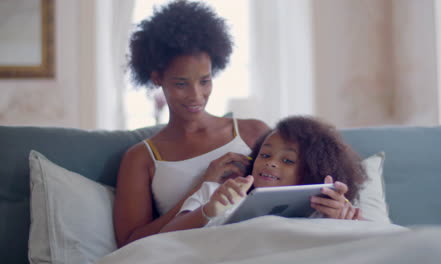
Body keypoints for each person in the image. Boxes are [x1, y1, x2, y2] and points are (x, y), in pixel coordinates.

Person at [113, 0, 357, 248]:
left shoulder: (253, 132)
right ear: (157, 78)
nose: (196, 95)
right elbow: (130, 246)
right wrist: (200, 188)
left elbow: (304, 180)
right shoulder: (140, 159)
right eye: (181, 84)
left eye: (205, 81)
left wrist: (340, 207)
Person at [160, 116, 368, 233]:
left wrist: (347, 222)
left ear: (312, 171)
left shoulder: (319, 209)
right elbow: (165, 236)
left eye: (287, 160)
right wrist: (208, 210)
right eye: (266, 154)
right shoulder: (216, 192)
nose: (271, 163)